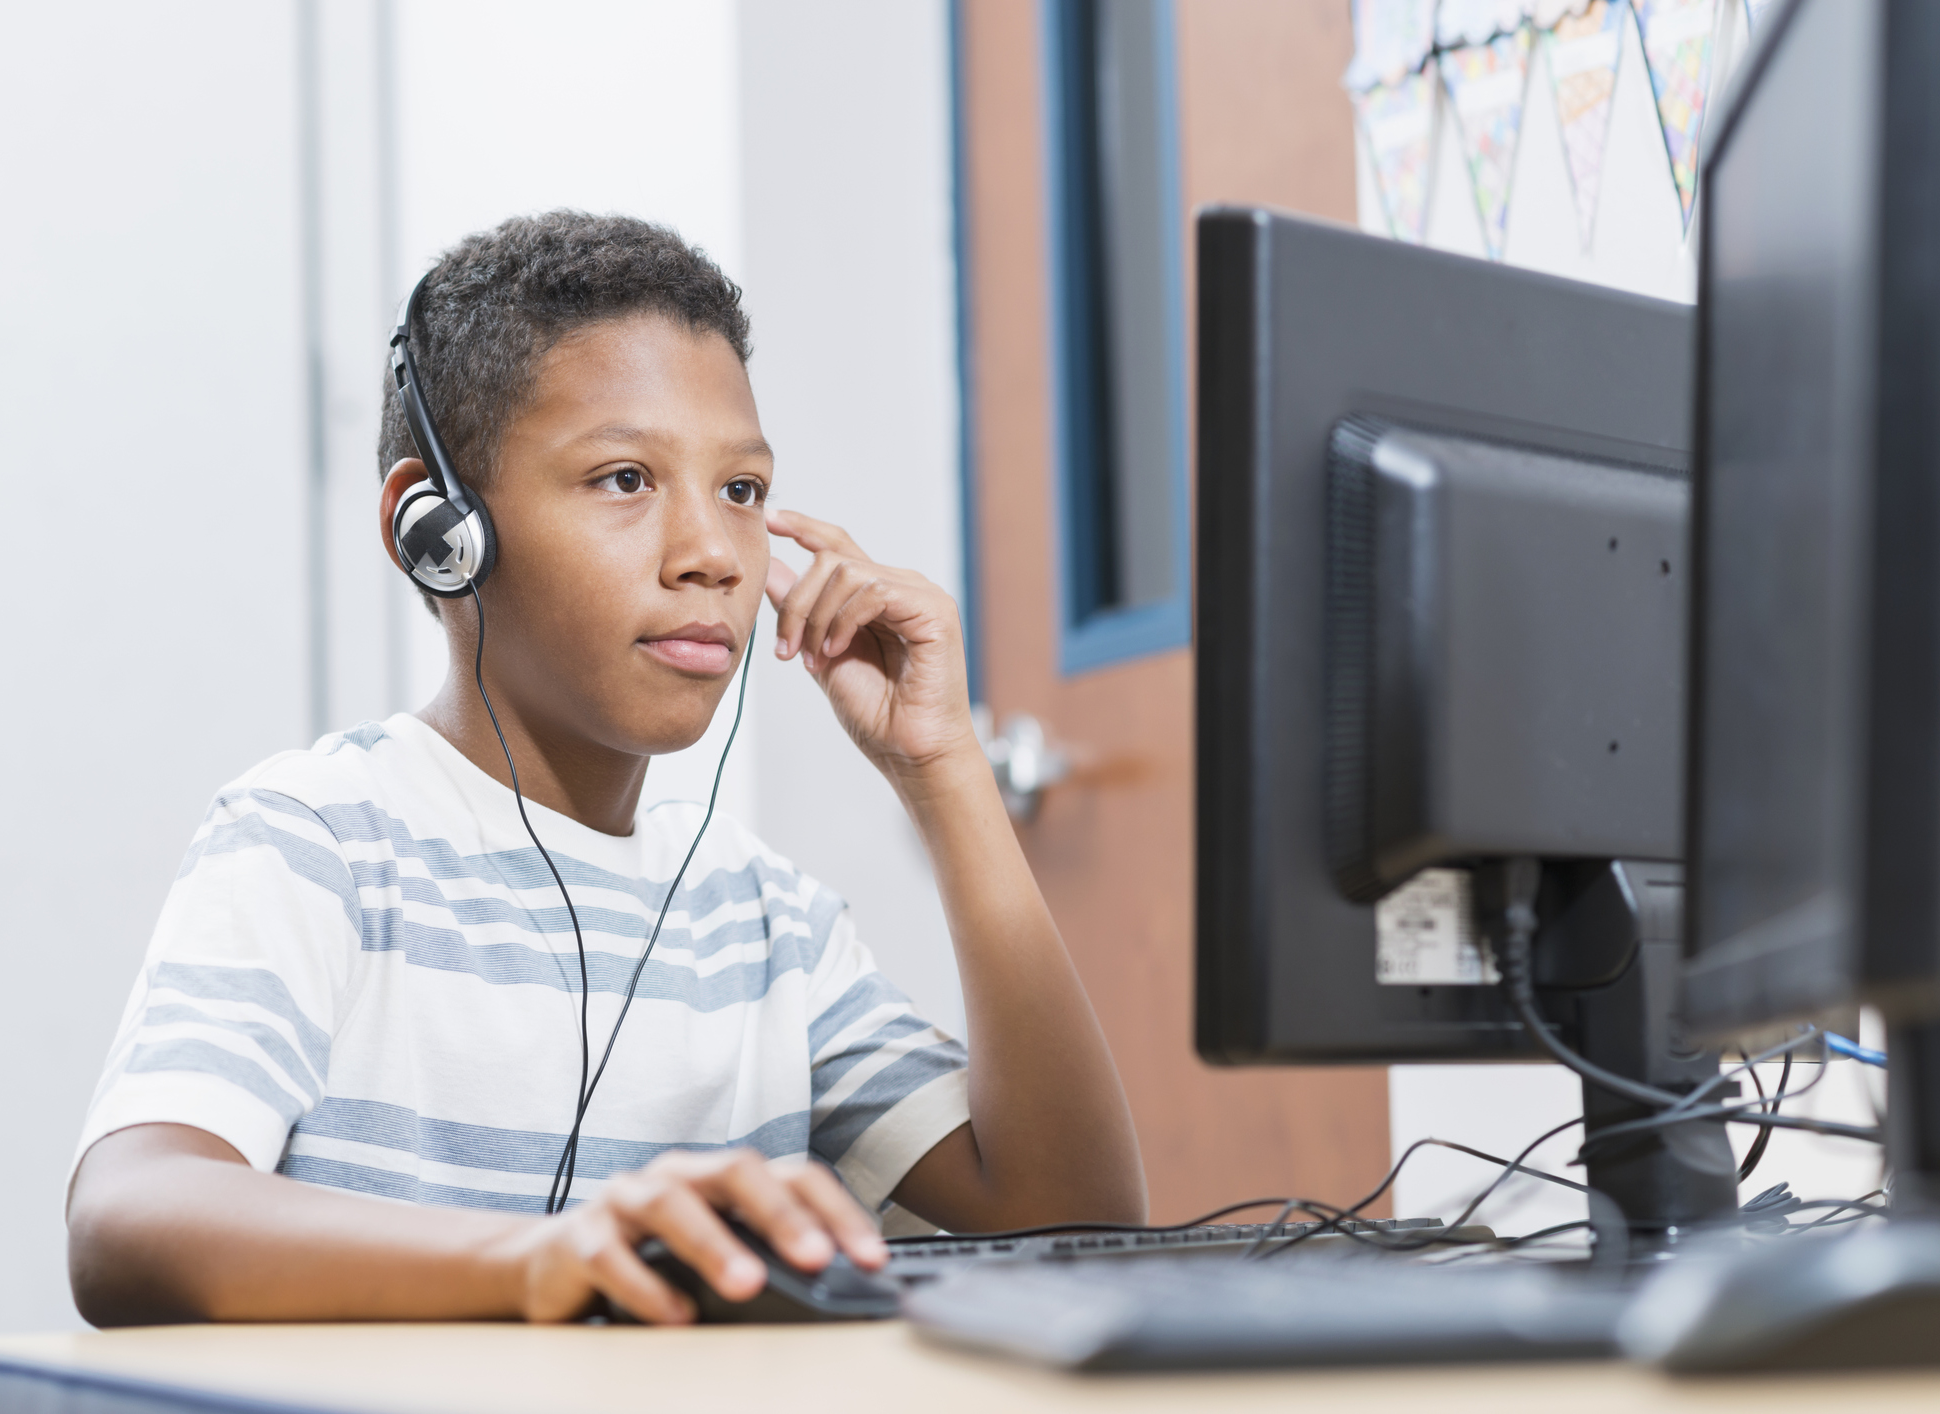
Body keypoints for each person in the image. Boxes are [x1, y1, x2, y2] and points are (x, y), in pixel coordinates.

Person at [66, 212, 1143, 1326]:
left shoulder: (765, 925)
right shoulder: (321, 843)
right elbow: (128, 1217)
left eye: (741, 490)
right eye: (624, 477)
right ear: (440, 533)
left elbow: (1077, 1221)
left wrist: (943, 767)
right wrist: (535, 1258)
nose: (713, 555)